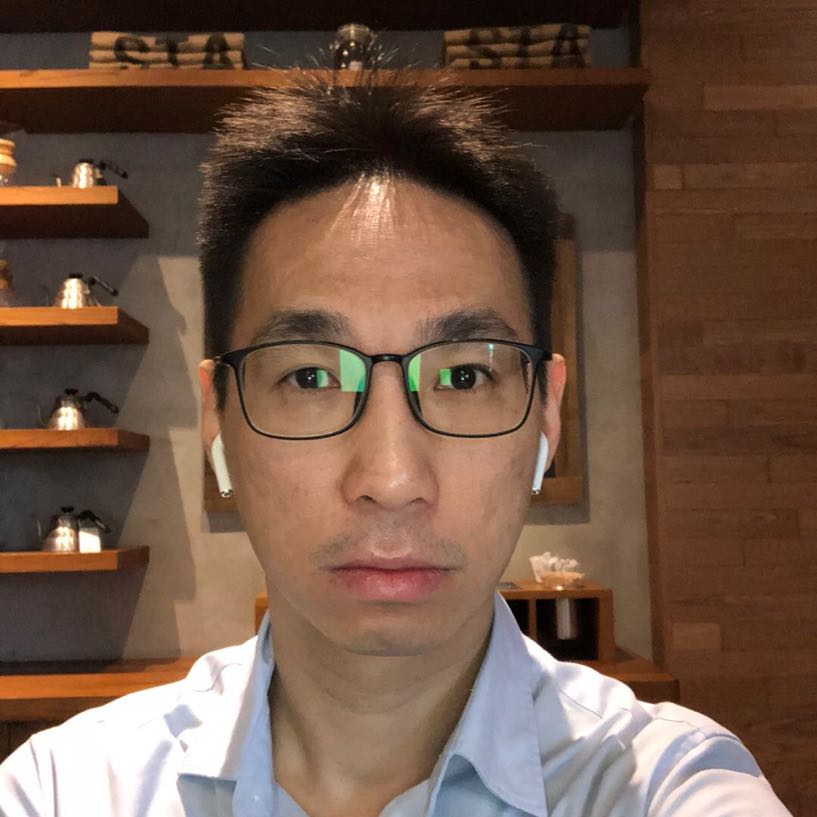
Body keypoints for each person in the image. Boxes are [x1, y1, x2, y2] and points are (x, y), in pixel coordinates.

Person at [0, 66, 792, 817]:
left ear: (546, 414)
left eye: (464, 376)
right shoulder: (67, 787)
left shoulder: (655, 782)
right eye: (310, 375)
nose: (390, 476)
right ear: (218, 420)